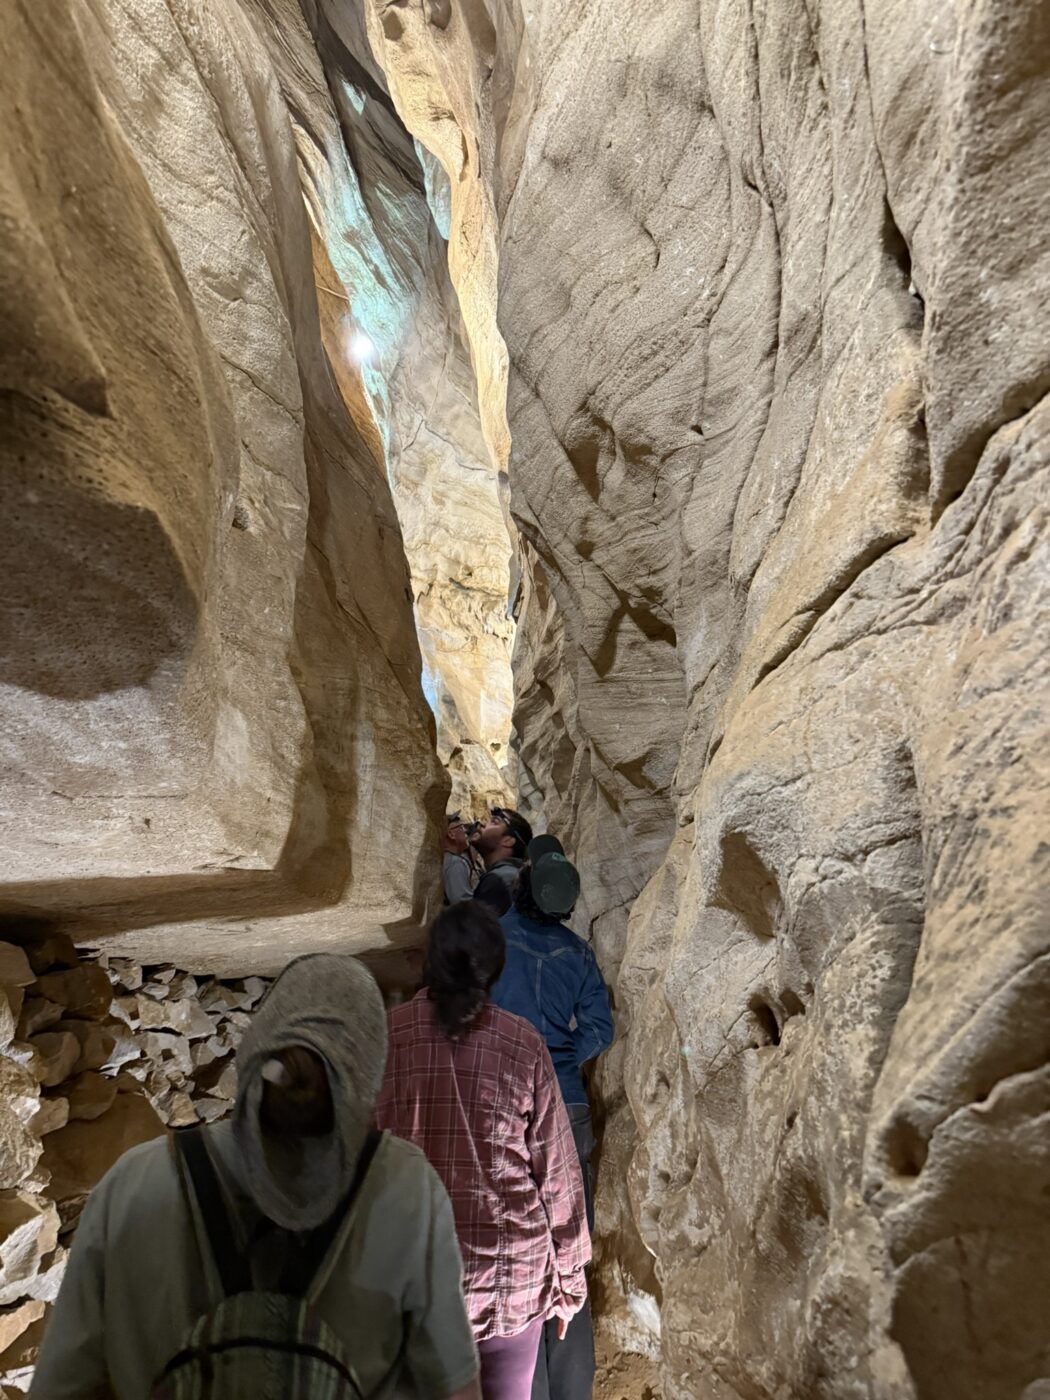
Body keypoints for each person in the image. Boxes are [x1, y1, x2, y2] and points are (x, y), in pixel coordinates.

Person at [31, 954, 481, 1400]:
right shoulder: (406, 1188)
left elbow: (64, 1384)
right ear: (368, 1081)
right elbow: (452, 1384)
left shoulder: (134, 1183)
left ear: (253, 1050)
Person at [375, 902, 589, 1400]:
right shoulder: (523, 1044)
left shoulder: (386, 1037)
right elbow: (556, 1172)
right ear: (495, 968)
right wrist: (570, 1280)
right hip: (509, 1278)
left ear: (428, 961)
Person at [490, 836, 614, 1400]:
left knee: (515, 1247)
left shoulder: (494, 941)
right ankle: (571, 1388)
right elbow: (600, 1030)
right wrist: (561, 1053)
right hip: (567, 1104)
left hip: (504, 1106)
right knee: (571, 1249)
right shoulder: (578, 955)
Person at [471, 806, 534, 914]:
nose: (481, 824)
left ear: (508, 841)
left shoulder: (497, 881)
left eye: (494, 822)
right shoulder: (516, 876)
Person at [444, 810, 482, 903]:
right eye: (460, 827)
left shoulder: (448, 859)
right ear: (451, 834)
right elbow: (463, 903)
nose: (465, 831)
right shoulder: (455, 863)